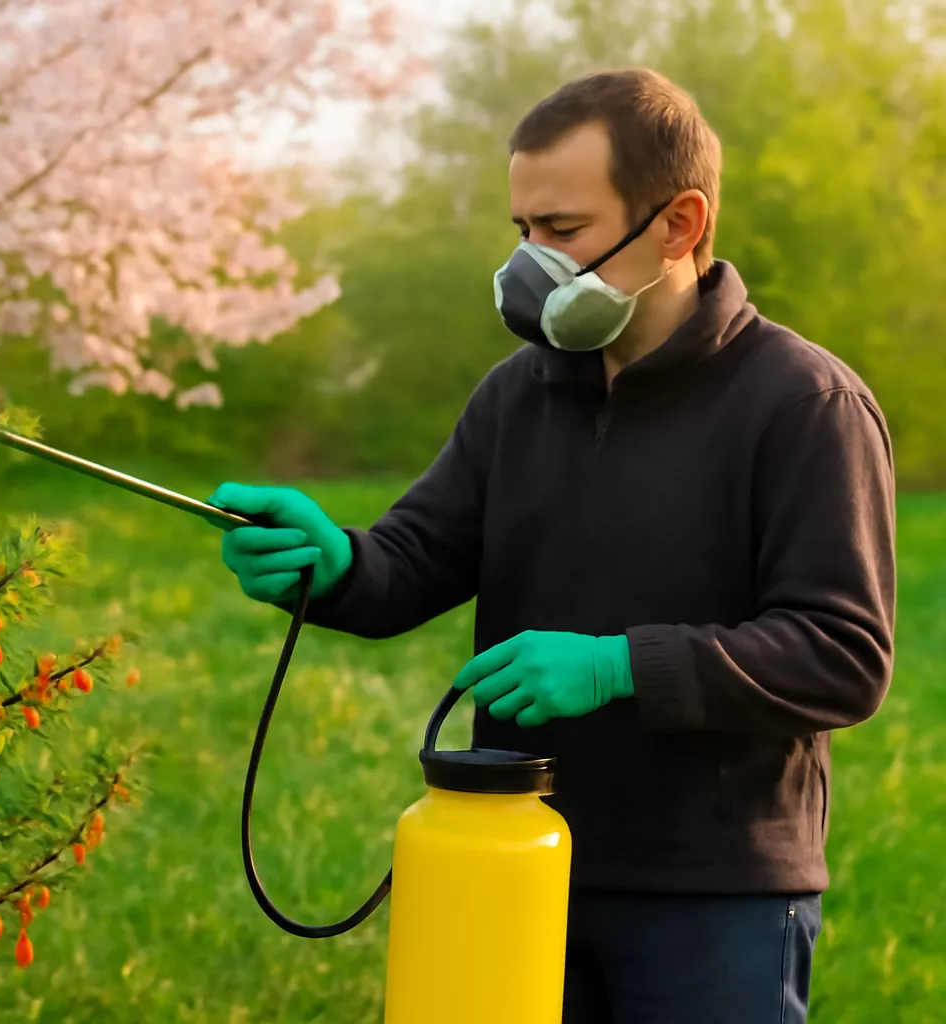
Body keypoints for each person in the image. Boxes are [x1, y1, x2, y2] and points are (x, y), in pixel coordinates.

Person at [207, 67, 896, 1024]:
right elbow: (412, 561)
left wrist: (621, 665)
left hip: (714, 897)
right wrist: (335, 567)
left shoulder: (802, 405)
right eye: (522, 232)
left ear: (680, 223)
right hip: (510, 861)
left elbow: (842, 655)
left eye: (563, 232)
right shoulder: (518, 394)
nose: (531, 265)